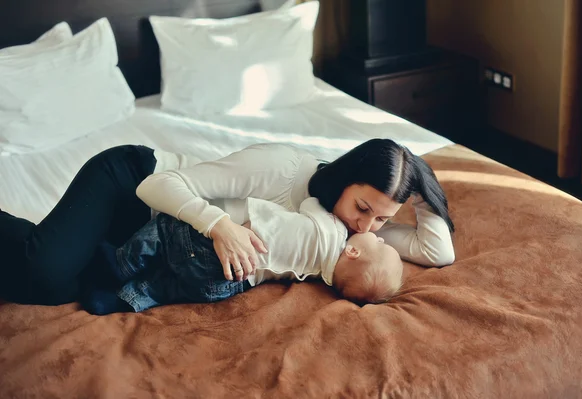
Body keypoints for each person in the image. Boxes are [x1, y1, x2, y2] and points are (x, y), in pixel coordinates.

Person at [0, 138, 454, 306]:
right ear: (343, 180)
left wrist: (421, 177)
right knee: (45, 271)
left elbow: (438, 252)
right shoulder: (284, 168)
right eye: (362, 209)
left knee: (57, 291)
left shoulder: (355, 232)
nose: (368, 228)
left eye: (383, 220)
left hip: (153, 235)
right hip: (132, 184)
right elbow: (158, 186)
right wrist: (221, 226)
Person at [82, 197, 404, 315]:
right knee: (163, 287)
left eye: (381, 242)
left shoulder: (331, 230)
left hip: (214, 253)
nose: (375, 232)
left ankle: (122, 262)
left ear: (353, 249)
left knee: (168, 225)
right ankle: (126, 300)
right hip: (224, 286)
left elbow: (310, 203)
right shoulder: (321, 275)